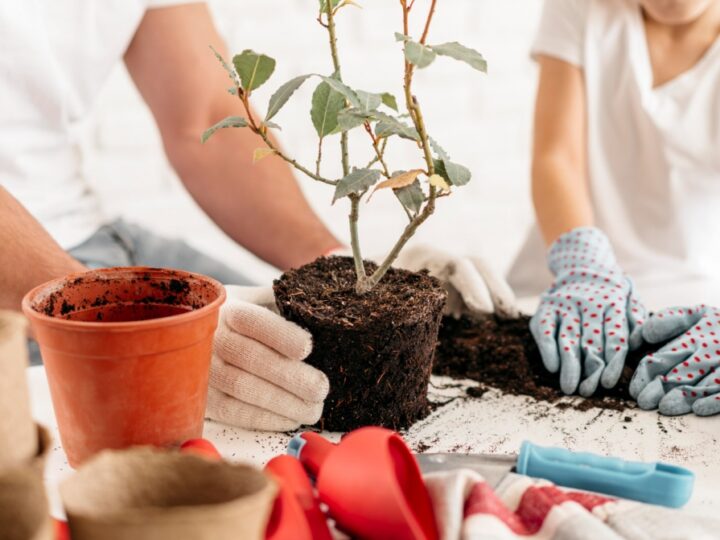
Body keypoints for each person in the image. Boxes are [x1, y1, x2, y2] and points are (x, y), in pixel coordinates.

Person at [0, 1, 513, 431]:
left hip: (97, 235)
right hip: (18, 282)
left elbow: (204, 116)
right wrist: (117, 319)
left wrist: (338, 265)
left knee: (290, 360)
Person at [509, 0, 720, 416]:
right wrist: (583, 263)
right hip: (562, 295)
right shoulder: (582, 8)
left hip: (688, 319)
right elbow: (557, 157)